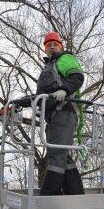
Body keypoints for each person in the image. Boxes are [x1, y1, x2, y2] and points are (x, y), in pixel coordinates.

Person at [36, 31, 85, 199]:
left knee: (57, 155)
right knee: (62, 155)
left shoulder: (64, 59)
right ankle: (76, 195)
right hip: (54, 117)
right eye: (48, 44)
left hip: (64, 112)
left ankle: (49, 199)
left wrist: (64, 90)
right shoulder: (49, 66)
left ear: (61, 46)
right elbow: (40, 97)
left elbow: (77, 77)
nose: (51, 46)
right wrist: (15, 106)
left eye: (54, 44)